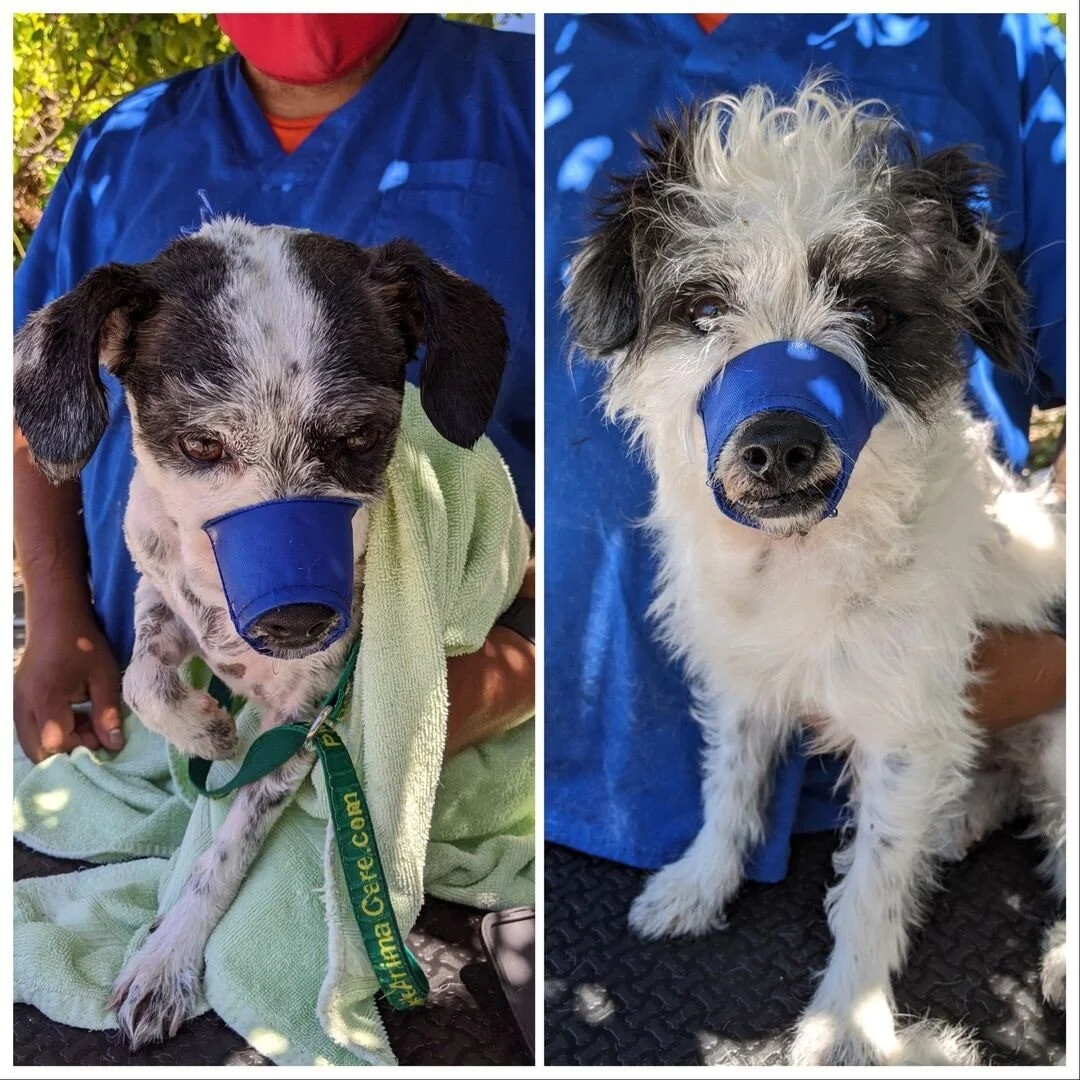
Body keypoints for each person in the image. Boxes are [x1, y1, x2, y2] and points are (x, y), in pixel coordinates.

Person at [544, 13, 1066, 880]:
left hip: (957, 728)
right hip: (572, 785)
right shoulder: (543, 47)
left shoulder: (1002, 39)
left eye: (867, 315)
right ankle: (722, 844)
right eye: (708, 309)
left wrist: (1057, 667)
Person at [14, 13, 535, 765]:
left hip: (446, 690)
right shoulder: (118, 145)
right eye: (204, 444)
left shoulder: (532, 92)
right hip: (144, 694)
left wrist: (526, 653)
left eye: (355, 436)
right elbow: (39, 402)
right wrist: (58, 616)